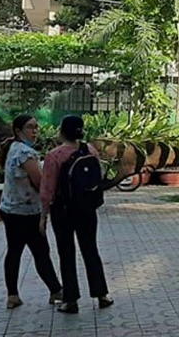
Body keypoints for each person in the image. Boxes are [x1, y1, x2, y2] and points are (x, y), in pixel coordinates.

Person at [40, 115, 113, 314]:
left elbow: (47, 189)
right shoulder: (90, 151)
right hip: (86, 209)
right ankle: (102, 295)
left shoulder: (54, 155)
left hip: (63, 210)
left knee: (66, 253)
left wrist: (43, 215)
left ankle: (70, 300)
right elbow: (97, 177)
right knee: (91, 250)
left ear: (61, 131)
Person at [0, 114, 63, 309]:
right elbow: (40, 182)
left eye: (36, 127)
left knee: (14, 251)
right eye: (30, 127)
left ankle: (13, 295)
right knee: (41, 251)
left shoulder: (12, 148)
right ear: (18, 131)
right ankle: (56, 290)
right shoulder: (26, 153)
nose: (34, 131)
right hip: (26, 212)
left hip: (9, 208)